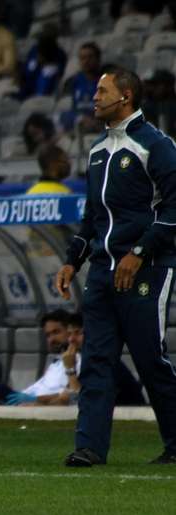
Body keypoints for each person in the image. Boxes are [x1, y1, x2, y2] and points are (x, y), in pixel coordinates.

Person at [56, 66, 176, 467]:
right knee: (96, 360)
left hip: (149, 267)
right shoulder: (96, 152)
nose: (94, 98)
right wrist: (72, 260)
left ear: (125, 96)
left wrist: (139, 251)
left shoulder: (156, 145)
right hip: (104, 271)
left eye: (101, 91)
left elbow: (174, 208)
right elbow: (93, 219)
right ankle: (89, 447)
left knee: (149, 359)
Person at [0, 310, 82, 405]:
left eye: (56, 332)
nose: (51, 339)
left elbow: (69, 396)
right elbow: (39, 387)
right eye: (48, 335)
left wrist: (35, 400)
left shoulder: (77, 360)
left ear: (68, 331)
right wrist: (23, 396)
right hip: (27, 401)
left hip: (42, 405)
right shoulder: (56, 363)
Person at [59, 42, 104, 133]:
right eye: (83, 58)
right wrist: (80, 118)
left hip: (99, 127)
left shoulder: (108, 82)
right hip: (78, 124)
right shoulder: (73, 82)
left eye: (90, 57)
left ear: (98, 59)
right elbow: (68, 111)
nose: (86, 61)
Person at [18, 25, 67, 99]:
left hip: (42, 95)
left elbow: (58, 75)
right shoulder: (34, 50)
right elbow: (25, 70)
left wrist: (44, 63)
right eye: (43, 35)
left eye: (47, 36)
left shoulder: (60, 54)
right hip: (25, 90)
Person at [142, 69, 176, 138]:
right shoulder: (145, 106)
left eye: (155, 85)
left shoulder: (171, 106)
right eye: (149, 84)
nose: (150, 88)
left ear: (168, 86)